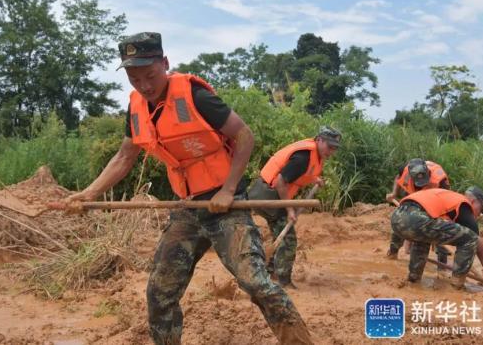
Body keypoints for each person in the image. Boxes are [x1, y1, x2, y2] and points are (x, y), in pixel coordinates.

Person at [66, 32, 313, 344]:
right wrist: (89, 193)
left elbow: (244, 136)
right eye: (134, 78)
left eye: (150, 75)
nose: (144, 85)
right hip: (187, 207)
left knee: (255, 283)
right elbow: (124, 156)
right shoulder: (137, 107)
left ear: (165, 64)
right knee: (160, 292)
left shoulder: (195, 96)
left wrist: (228, 189)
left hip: (226, 205)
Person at [247, 127, 341, 288]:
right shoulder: (303, 157)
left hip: (267, 193)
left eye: (335, 148)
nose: (331, 151)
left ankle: (271, 271)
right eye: (329, 146)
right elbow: (280, 182)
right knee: (289, 240)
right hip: (268, 195)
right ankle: (284, 281)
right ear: (319, 140)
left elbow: (301, 173)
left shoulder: (312, 155)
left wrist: (314, 179)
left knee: (281, 235)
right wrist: (290, 209)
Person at [390, 185, 483, 294]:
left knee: (425, 237)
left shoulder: (448, 199)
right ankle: (456, 287)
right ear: (473, 201)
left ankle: (414, 279)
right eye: (481, 209)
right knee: (470, 238)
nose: (478, 215)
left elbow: (415, 222)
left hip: (397, 217)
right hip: (416, 219)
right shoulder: (464, 205)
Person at [386, 158, 451, 265]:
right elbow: (398, 178)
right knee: (401, 219)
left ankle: (442, 266)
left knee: (439, 227)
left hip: (434, 199)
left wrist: (437, 217)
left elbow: (446, 201)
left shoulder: (440, 180)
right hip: (414, 197)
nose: (420, 184)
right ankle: (393, 253)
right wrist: (394, 194)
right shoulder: (407, 170)